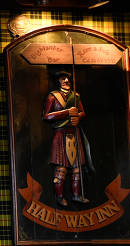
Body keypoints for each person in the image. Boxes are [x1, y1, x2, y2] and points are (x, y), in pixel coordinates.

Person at [43, 70, 91, 207]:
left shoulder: (75, 96)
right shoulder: (53, 97)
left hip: (74, 133)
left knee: (77, 167)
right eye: (63, 78)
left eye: (67, 78)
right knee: (61, 168)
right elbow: (47, 116)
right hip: (60, 133)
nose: (66, 81)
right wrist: (66, 113)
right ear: (58, 81)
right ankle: (59, 196)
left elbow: (82, 112)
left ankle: (76, 195)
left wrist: (77, 117)